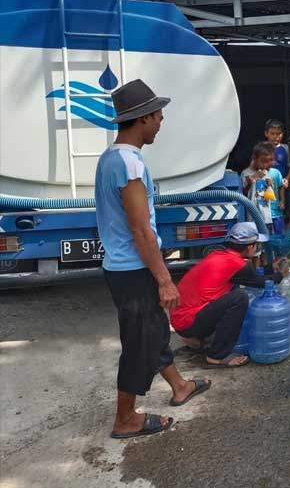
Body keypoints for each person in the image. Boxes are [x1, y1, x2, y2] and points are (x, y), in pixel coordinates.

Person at [95, 79, 210, 440]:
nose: (161, 122)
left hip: (124, 267)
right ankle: (125, 418)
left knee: (154, 331)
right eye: (158, 116)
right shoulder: (128, 164)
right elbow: (141, 229)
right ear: (143, 118)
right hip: (134, 269)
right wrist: (164, 279)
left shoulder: (110, 158)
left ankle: (179, 386)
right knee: (138, 345)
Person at [171, 222, 284, 368]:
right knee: (239, 298)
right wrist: (281, 274)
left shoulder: (219, 255)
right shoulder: (238, 264)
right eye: (256, 245)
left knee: (228, 293)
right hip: (188, 322)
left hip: (180, 318)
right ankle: (216, 356)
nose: (257, 248)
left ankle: (197, 340)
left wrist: (270, 267)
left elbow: (252, 276)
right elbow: (261, 282)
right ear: (250, 247)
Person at [240, 142, 278, 236]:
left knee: (266, 238)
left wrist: (270, 185)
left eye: (269, 161)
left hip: (266, 216)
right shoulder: (245, 173)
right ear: (254, 158)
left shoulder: (266, 173)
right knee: (254, 238)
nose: (266, 165)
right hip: (252, 217)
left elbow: (269, 196)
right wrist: (252, 179)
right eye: (263, 161)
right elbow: (242, 194)